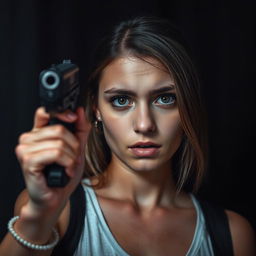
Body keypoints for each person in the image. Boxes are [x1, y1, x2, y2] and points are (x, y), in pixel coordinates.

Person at [0, 16, 255, 256]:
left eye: (165, 99)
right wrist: (39, 216)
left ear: (189, 106)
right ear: (96, 110)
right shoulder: (58, 211)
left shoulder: (233, 236)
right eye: (121, 100)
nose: (144, 124)